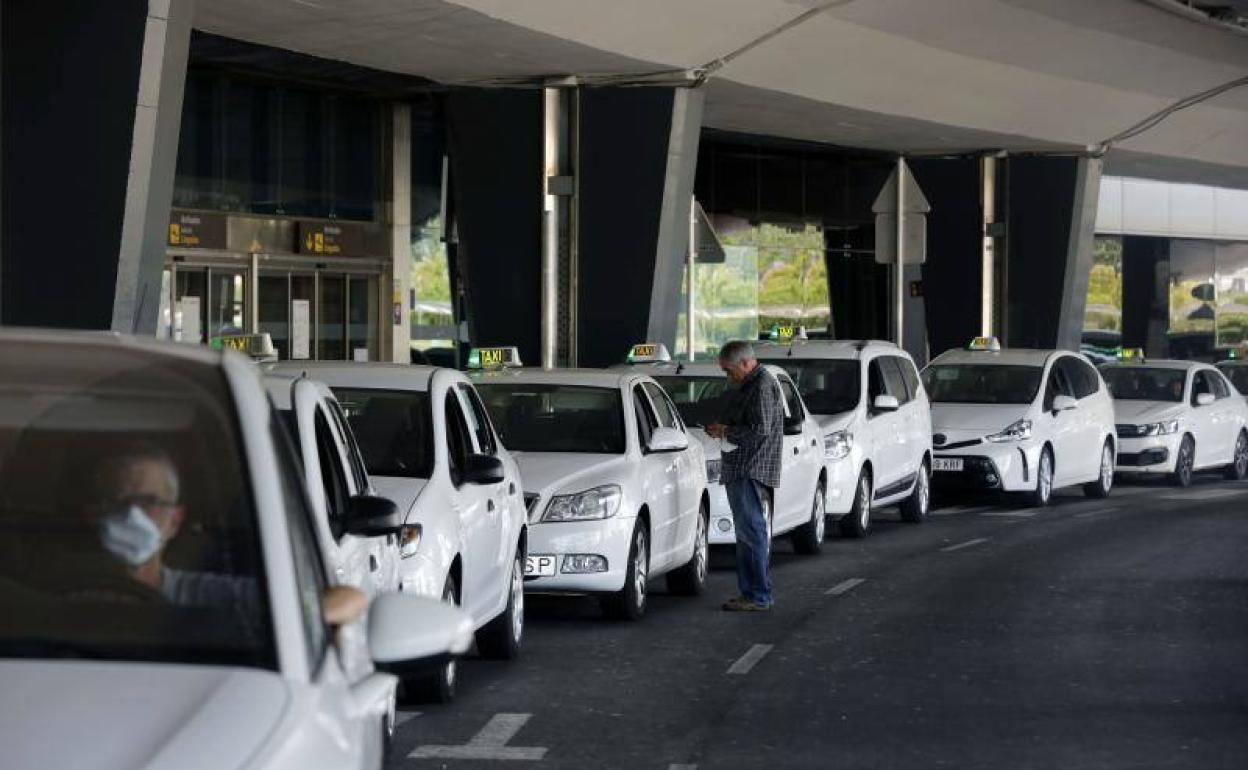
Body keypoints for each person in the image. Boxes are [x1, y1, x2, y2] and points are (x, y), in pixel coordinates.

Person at [86, 444, 259, 616]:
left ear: (174, 521)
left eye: (148, 502)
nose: (132, 514)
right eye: (117, 502)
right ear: (94, 516)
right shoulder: (69, 600)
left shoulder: (211, 597)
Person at [706, 341, 784, 612]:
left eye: (729, 371)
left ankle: (758, 594)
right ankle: (752, 592)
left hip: (749, 466)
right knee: (749, 532)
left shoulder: (761, 386)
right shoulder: (754, 383)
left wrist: (726, 431)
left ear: (745, 363)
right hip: (745, 466)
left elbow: (760, 429)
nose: (728, 377)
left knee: (751, 532)